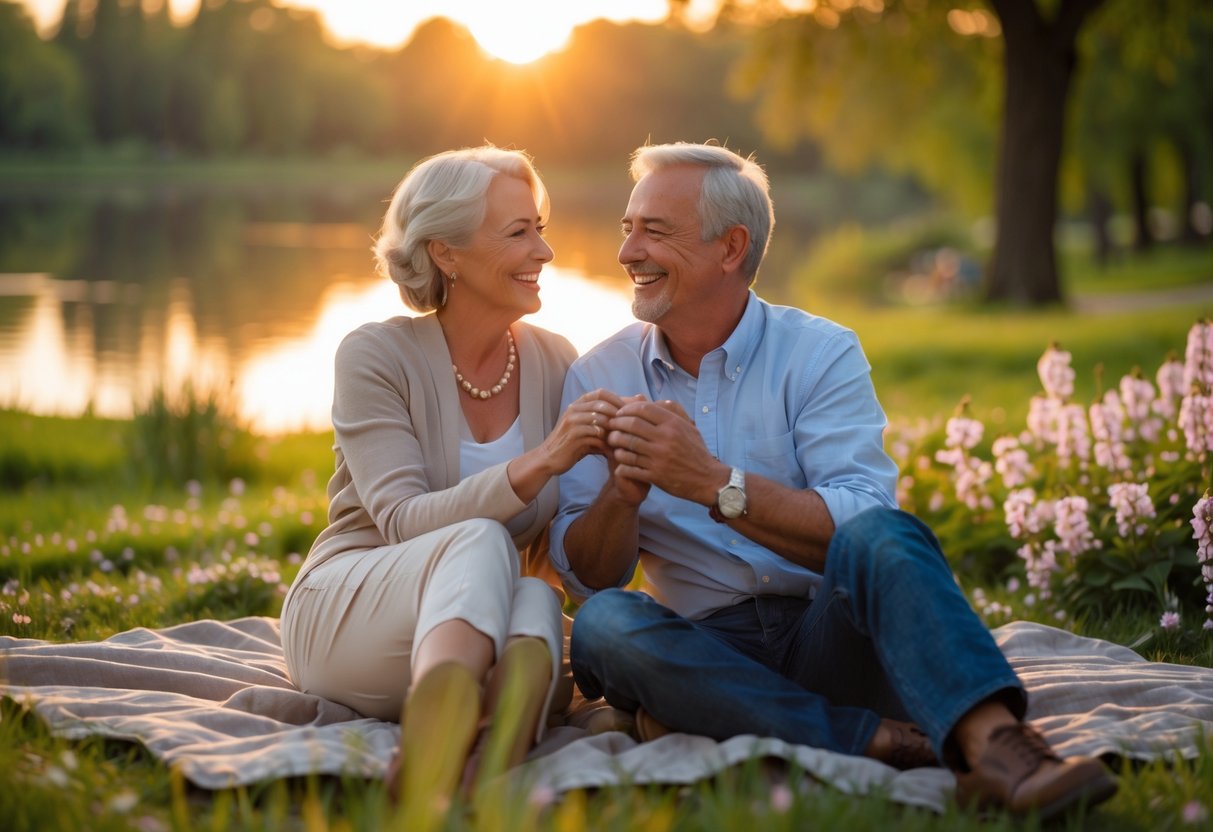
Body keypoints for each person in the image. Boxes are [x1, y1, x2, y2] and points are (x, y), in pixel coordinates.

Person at [549, 142, 1119, 820]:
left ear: (730, 248)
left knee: (883, 533)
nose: (626, 252)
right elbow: (590, 578)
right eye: (625, 228)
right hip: (706, 647)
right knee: (606, 625)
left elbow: (859, 525)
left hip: (833, 632)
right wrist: (623, 491)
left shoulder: (819, 352)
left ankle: (1001, 750)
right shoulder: (597, 376)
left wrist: (707, 481)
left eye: (653, 231)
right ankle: (878, 740)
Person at [279, 146, 614, 807]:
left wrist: (627, 481)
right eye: (518, 232)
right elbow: (402, 520)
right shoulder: (375, 354)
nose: (543, 252)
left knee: (539, 600)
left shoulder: (556, 361)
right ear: (446, 253)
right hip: (353, 610)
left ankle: (488, 748)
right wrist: (543, 459)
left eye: (540, 229)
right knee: (482, 539)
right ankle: (448, 703)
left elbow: (561, 563)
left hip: (485, 611)